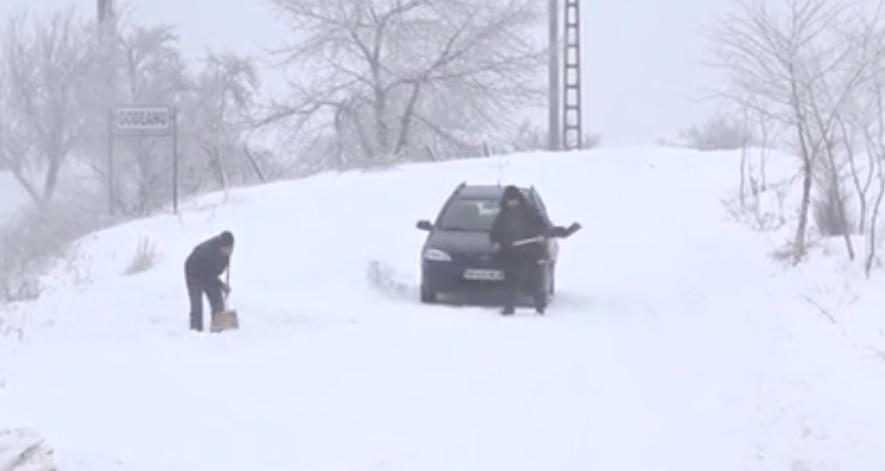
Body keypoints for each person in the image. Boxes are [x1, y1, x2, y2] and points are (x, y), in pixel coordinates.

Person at [490, 186, 551, 315]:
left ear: (519, 199)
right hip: (510, 254)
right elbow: (495, 231)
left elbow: (543, 227)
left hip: (530, 254)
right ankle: (509, 308)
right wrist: (495, 242)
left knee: (535, 282)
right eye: (509, 200)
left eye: (514, 200)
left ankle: (540, 308)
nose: (512, 203)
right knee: (510, 282)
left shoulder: (530, 212)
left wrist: (541, 236)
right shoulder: (503, 215)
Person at [184, 231, 234, 331]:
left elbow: (213, 274)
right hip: (193, 272)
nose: (229, 251)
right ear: (220, 246)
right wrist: (222, 285)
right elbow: (208, 274)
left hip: (209, 273)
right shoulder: (207, 252)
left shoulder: (226, 252)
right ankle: (196, 332)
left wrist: (221, 285)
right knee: (197, 305)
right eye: (226, 249)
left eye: (230, 249)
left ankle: (218, 329)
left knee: (218, 302)